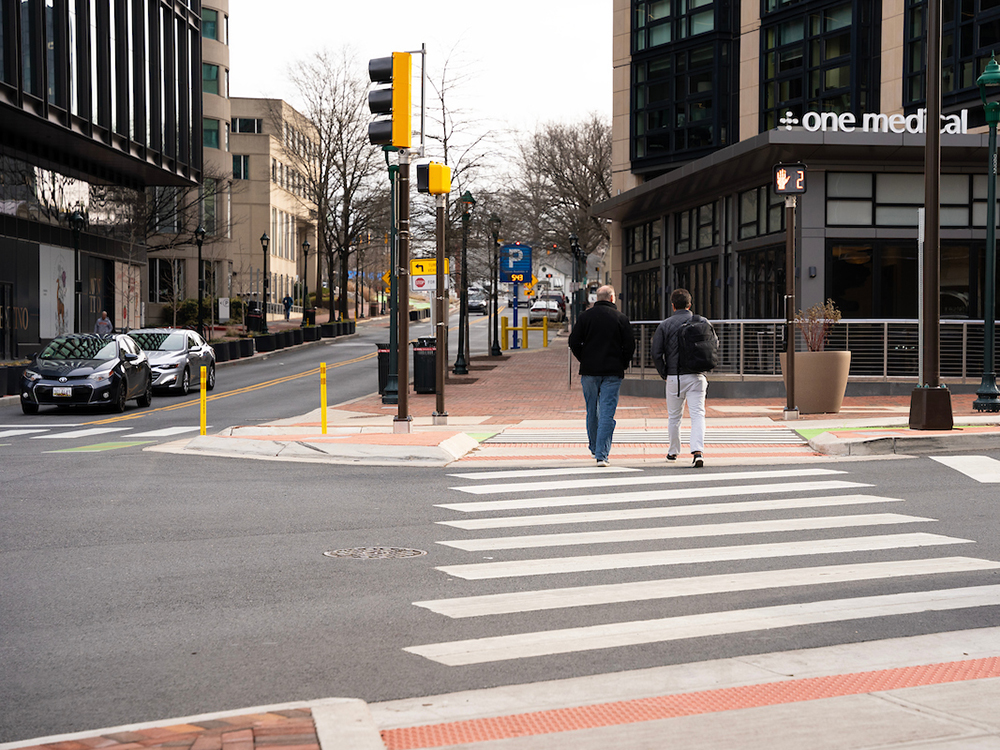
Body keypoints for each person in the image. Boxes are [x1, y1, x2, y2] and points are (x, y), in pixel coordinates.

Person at [568, 285, 635, 467]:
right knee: (607, 412)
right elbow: (630, 345)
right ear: (612, 298)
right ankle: (602, 454)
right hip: (612, 371)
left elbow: (573, 341)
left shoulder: (585, 317)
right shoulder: (621, 318)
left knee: (592, 410)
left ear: (595, 299)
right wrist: (623, 363)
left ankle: (594, 448)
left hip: (589, 371)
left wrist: (584, 358)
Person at [651, 288, 712, 468]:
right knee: (698, 414)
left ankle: (673, 451)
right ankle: (698, 452)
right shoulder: (702, 321)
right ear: (689, 304)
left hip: (675, 377)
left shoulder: (665, 325)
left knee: (674, 417)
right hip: (697, 375)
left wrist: (664, 372)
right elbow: (713, 344)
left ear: (673, 305)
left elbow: (656, 353)